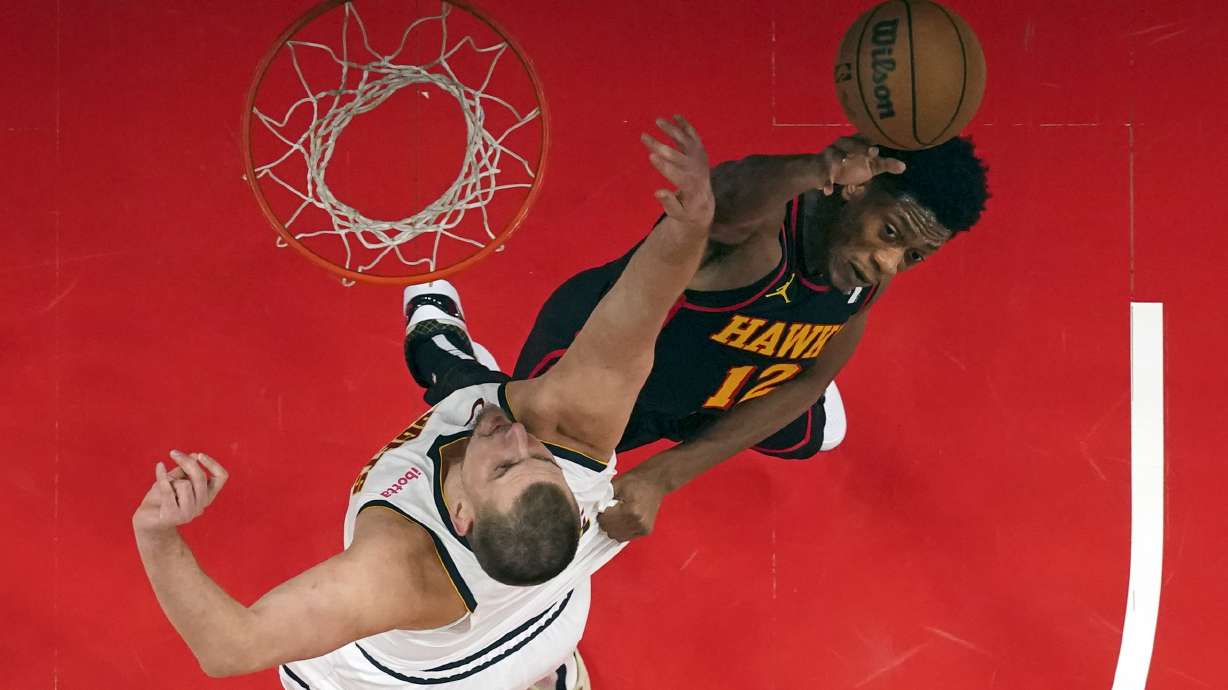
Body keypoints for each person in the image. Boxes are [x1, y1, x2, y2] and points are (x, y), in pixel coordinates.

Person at [131, 115, 716, 690]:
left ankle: (439, 345)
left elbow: (229, 648)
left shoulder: (399, 568)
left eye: (507, 465)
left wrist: (157, 532)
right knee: (479, 398)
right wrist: (689, 229)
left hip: (436, 679)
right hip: (552, 618)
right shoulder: (572, 436)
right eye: (540, 460)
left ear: (459, 516)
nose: (517, 437)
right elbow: (635, 319)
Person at [512, 132, 990, 541]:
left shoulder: (866, 276)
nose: (890, 262)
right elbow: (724, 203)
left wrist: (664, 475)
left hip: (705, 392)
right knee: (525, 514)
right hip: (598, 374)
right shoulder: (758, 237)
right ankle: (442, 331)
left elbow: (806, 385)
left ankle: (782, 347)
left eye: (913, 257)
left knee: (813, 427)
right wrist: (818, 166)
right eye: (889, 232)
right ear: (856, 189)